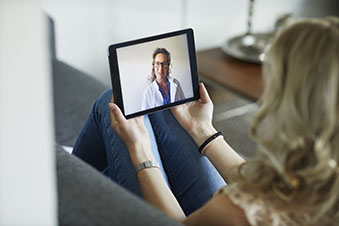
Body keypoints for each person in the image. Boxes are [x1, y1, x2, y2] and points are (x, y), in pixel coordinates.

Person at [73, 17, 339, 225]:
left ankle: (68, 186)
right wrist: (203, 131)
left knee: (110, 104)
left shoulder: (233, 213)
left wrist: (141, 152)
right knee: (159, 110)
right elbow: (272, 188)